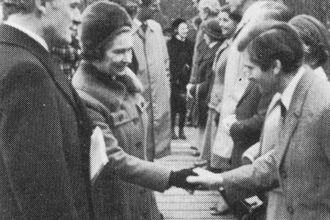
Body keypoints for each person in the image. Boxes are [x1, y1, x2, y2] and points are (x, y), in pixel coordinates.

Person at [187, 21, 330, 220]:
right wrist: (220, 178)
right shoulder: (293, 94)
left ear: (276, 67)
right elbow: (275, 162)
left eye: (251, 68)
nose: (248, 77)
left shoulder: (323, 107)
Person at [72, 2, 196, 220]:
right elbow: (113, 159)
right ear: (95, 53)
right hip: (116, 209)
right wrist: (173, 177)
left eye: (130, 49)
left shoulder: (123, 82)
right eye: (119, 51)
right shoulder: (86, 99)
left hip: (143, 205)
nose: (128, 59)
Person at [0, 0, 95, 219]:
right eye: (72, 6)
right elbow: (43, 198)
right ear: (42, 3)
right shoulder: (27, 72)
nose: (78, 16)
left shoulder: (12, 54)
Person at [210, 0, 292, 172]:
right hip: (241, 112)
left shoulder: (261, 16)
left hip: (250, 112)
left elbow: (252, 73)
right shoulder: (249, 18)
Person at [195, 5, 241, 168]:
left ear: (237, 22)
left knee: (223, 145)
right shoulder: (226, 44)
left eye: (225, 20)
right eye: (219, 19)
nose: (221, 23)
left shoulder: (236, 47)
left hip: (225, 102)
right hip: (215, 100)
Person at [131, 0, 172, 160]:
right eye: (154, 5)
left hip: (158, 96)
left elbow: (165, 62)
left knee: (156, 144)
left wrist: (166, 88)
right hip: (138, 96)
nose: (158, 9)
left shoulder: (156, 28)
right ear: (142, 5)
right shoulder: (127, 30)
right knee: (139, 141)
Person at [186, 0, 221, 152]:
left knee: (200, 108)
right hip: (208, 69)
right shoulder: (220, 22)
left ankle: (200, 145)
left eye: (200, 11)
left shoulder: (205, 28)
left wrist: (193, 80)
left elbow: (197, 55)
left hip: (203, 70)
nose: (199, 13)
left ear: (206, 11)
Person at [167, 18, 194, 140]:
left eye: (186, 28)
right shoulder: (170, 44)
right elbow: (170, 61)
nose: (185, 30)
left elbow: (192, 60)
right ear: (176, 30)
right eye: (182, 28)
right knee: (173, 105)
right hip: (174, 80)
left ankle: (181, 129)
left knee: (183, 106)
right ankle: (172, 129)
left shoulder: (190, 44)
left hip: (186, 80)